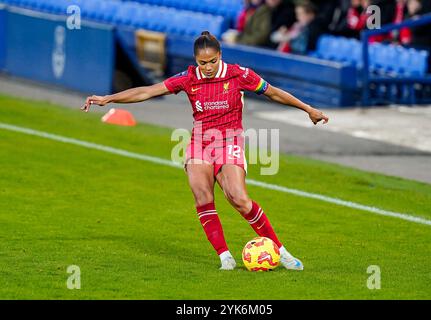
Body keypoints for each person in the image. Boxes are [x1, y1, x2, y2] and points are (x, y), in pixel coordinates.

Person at [81, 31, 329, 271]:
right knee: (202, 196)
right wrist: (108, 98)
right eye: (203, 62)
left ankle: (281, 252)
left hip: (229, 141)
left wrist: (308, 109)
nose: (208, 67)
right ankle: (225, 257)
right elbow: (148, 91)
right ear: (195, 60)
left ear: (220, 55)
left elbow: (273, 92)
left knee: (239, 199)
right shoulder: (189, 78)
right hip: (200, 143)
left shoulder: (238, 75)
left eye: (212, 61)